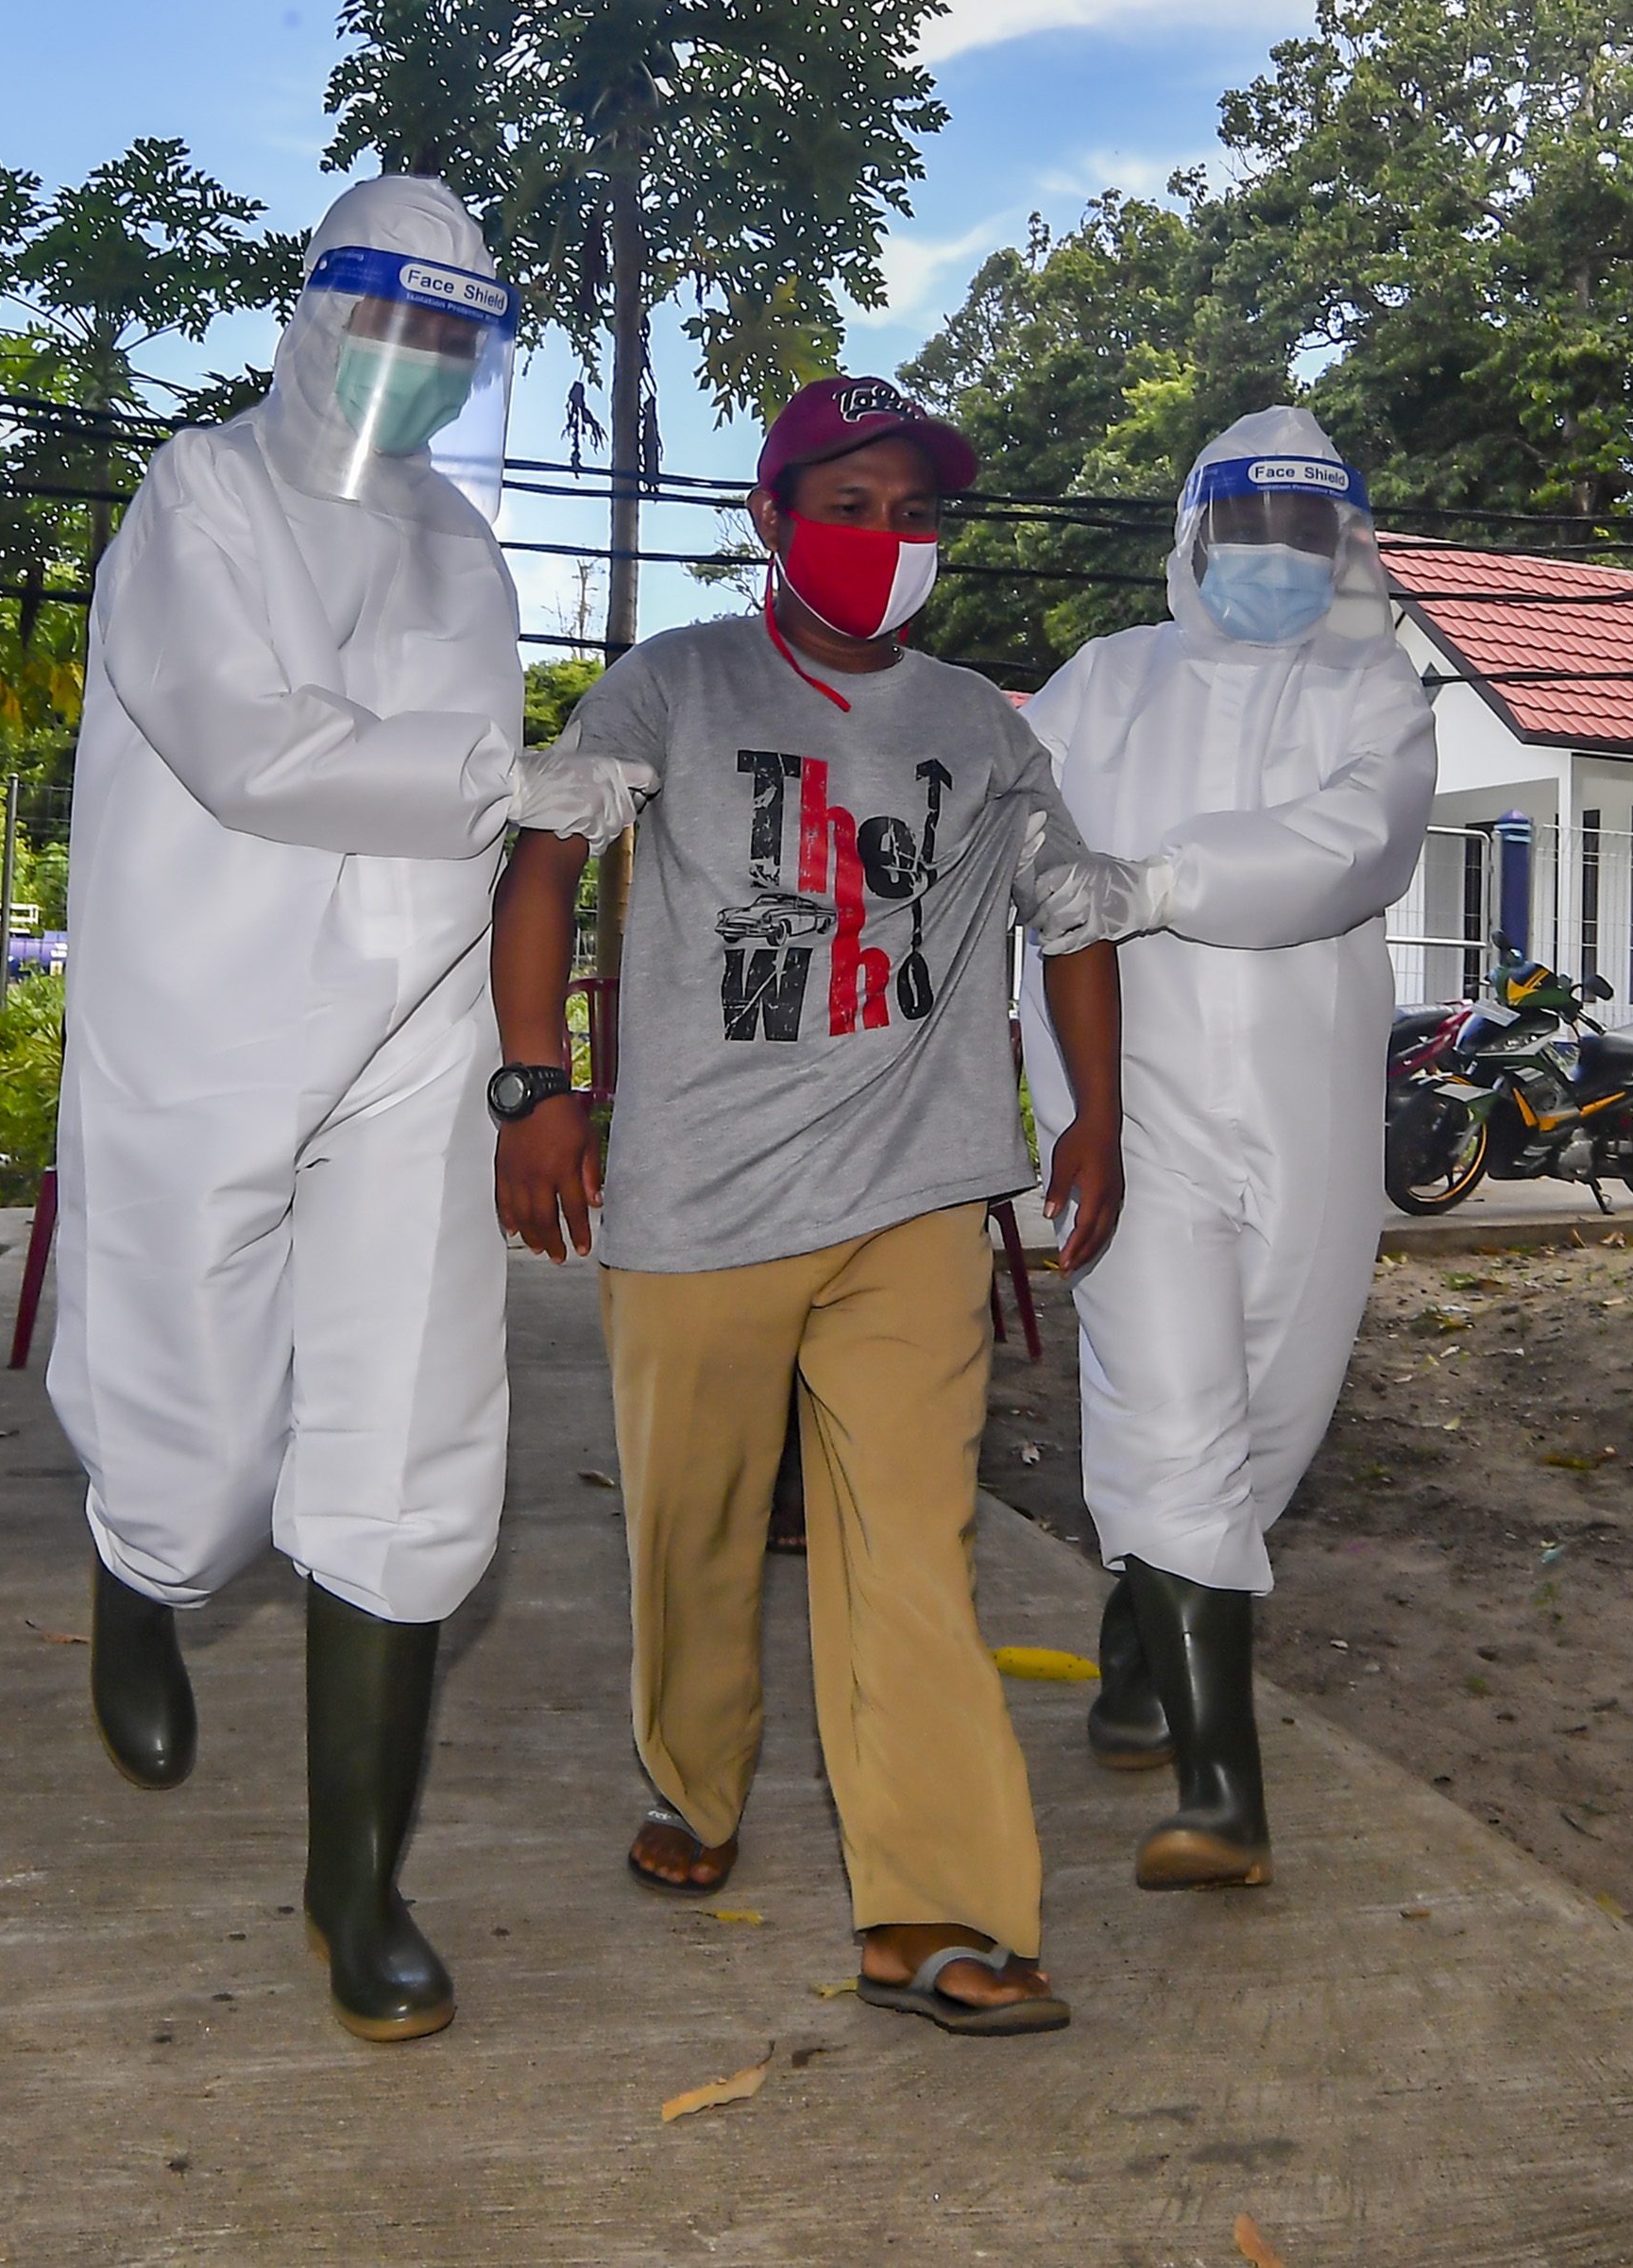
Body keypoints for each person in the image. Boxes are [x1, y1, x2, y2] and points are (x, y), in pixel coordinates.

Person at [45, 174, 654, 2045]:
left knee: (411, 1431)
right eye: (393, 322)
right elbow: (247, 747)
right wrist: (505, 777)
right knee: (196, 1430)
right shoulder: (198, 497)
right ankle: (141, 1567)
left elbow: (473, 812)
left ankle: (356, 1882)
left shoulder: (464, 546)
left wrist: (518, 1027)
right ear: (314, 315)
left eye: (455, 339)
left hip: (412, 1030)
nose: (420, 363)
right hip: (207, 1019)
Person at [489, 375, 1156, 2037]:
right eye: (848, 508)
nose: (885, 539)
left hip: (915, 1198)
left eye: (913, 514)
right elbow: (548, 858)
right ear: (771, 521)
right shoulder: (677, 681)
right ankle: (696, 1777)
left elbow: (1072, 914)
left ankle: (939, 1912)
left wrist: (1097, 1115)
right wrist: (534, 1081)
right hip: (700, 1200)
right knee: (693, 1539)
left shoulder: (982, 725)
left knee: (913, 1554)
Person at [1016, 406, 1436, 1890]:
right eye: (1249, 526)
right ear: (1195, 536)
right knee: (1171, 1402)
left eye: (1307, 531)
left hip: (1312, 1119)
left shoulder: (1376, 686)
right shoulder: (1105, 681)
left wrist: (1164, 879)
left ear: (1347, 547)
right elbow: (1007, 826)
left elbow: (1358, 842)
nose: (1276, 556)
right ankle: (1222, 1795)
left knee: (1270, 1416)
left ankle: (1140, 1653)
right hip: (1130, 1110)